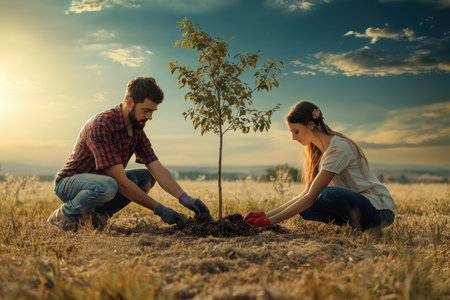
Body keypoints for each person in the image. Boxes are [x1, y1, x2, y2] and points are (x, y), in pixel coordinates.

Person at [48, 76, 210, 231]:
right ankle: (63, 215)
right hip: (70, 183)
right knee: (109, 185)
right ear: (129, 102)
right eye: (146, 110)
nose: (150, 117)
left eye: (153, 111)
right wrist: (160, 210)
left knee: (146, 177)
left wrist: (184, 198)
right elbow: (122, 182)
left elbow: (157, 168)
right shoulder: (102, 124)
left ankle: (96, 217)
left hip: (101, 185)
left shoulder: (136, 130)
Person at [244, 101, 395, 230]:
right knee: (306, 209)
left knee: (327, 194)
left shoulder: (339, 148)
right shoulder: (319, 151)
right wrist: (266, 215)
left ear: (310, 125)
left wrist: (268, 222)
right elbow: (306, 193)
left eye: (296, 131)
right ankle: (359, 227)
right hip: (361, 206)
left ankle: (366, 226)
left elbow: (311, 196)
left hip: (380, 210)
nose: (293, 138)